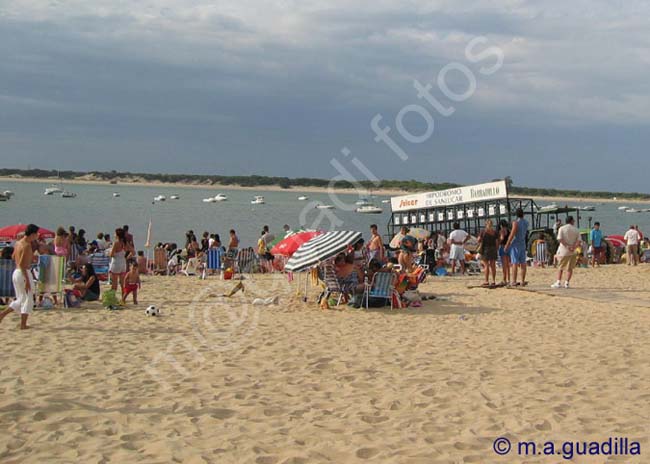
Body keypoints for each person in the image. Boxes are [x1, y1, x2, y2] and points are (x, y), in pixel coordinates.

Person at [0, 224, 39, 329]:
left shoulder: (18, 243)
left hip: (16, 272)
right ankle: (23, 324)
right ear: (33, 234)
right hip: (23, 272)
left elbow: (13, 257)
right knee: (28, 298)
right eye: (36, 234)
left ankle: (2, 314)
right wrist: (26, 279)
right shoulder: (26, 245)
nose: (37, 236)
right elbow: (22, 264)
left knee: (21, 298)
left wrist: (29, 258)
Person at [552, 216, 581, 288]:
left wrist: (567, 246)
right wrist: (573, 247)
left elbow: (560, 239)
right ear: (571, 221)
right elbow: (579, 241)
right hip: (572, 251)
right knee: (570, 268)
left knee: (561, 267)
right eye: (573, 220)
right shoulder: (576, 229)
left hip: (563, 250)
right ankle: (567, 283)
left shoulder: (561, 228)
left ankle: (558, 282)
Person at [504, 208, 529, 286]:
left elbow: (512, 234)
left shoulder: (515, 223)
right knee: (523, 263)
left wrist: (507, 244)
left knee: (514, 262)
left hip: (516, 244)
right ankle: (522, 280)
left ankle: (514, 281)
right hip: (523, 243)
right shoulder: (526, 222)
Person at [476, 219, 499, 287]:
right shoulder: (495, 232)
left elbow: (478, 240)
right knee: (493, 266)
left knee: (486, 265)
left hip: (486, 249)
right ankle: (493, 281)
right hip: (493, 249)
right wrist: (496, 249)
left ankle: (486, 281)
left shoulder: (483, 231)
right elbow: (497, 242)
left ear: (486, 224)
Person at [109, 228, 130, 292]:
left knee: (114, 285)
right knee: (122, 284)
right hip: (123, 264)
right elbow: (133, 252)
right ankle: (123, 299)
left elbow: (111, 254)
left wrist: (109, 253)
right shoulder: (125, 243)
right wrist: (127, 257)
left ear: (117, 235)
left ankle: (112, 298)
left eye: (115, 233)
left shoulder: (116, 243)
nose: (114, 235)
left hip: (116, 264)